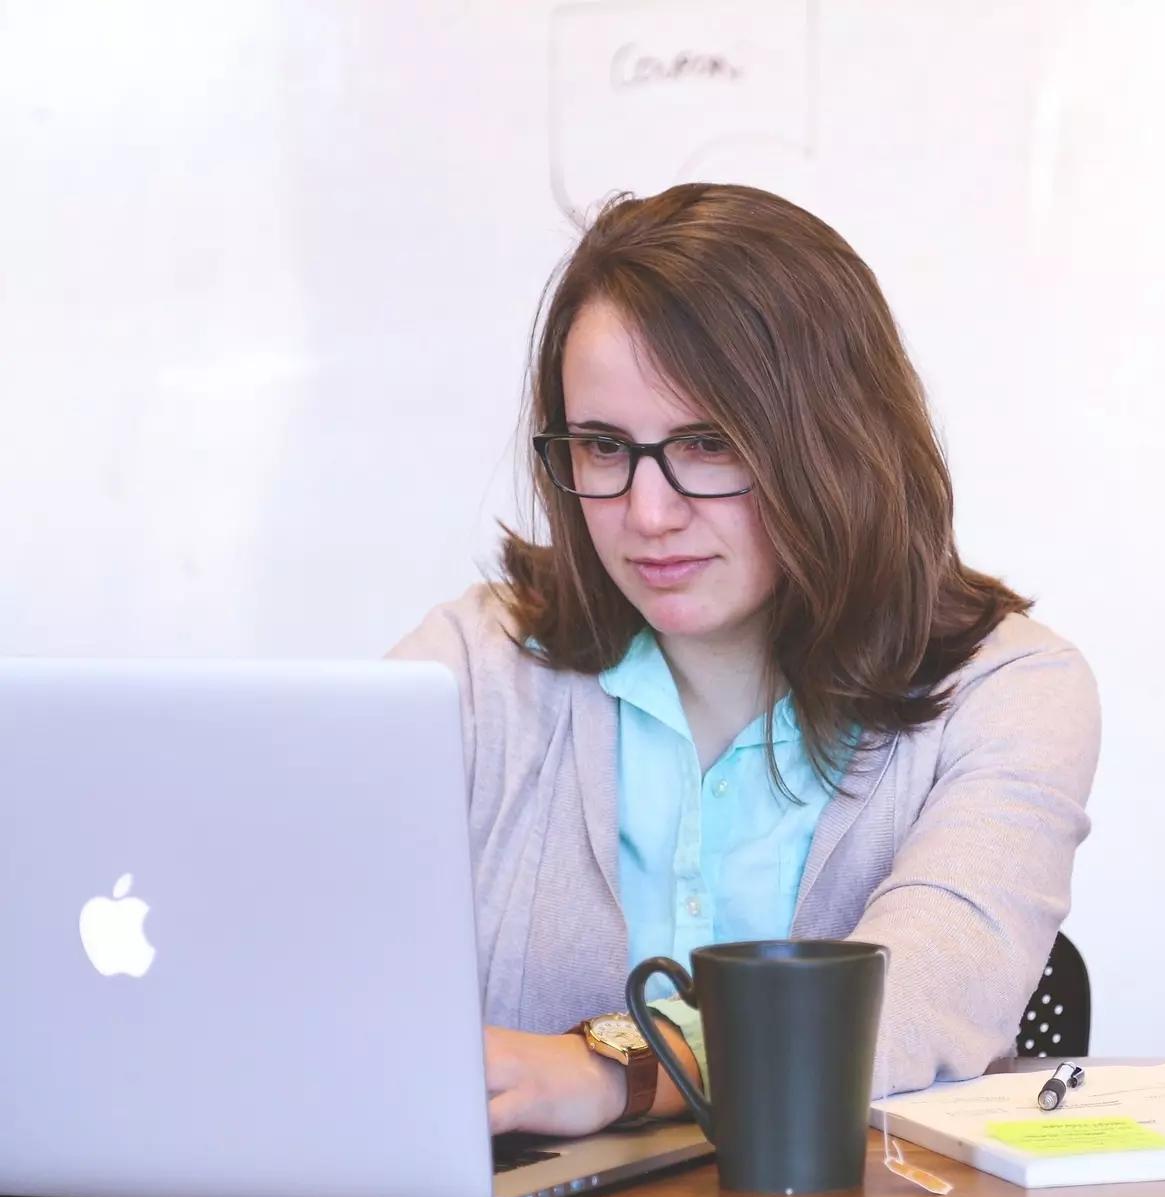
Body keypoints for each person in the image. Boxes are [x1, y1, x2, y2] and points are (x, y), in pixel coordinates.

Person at [387, 183, 1100, 1138]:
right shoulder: (475, 667)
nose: (648, 513)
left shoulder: (1011, 693)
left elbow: (928, 984)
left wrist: (618, 1069)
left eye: (707, 443)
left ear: (833, 443)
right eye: (604, 447)